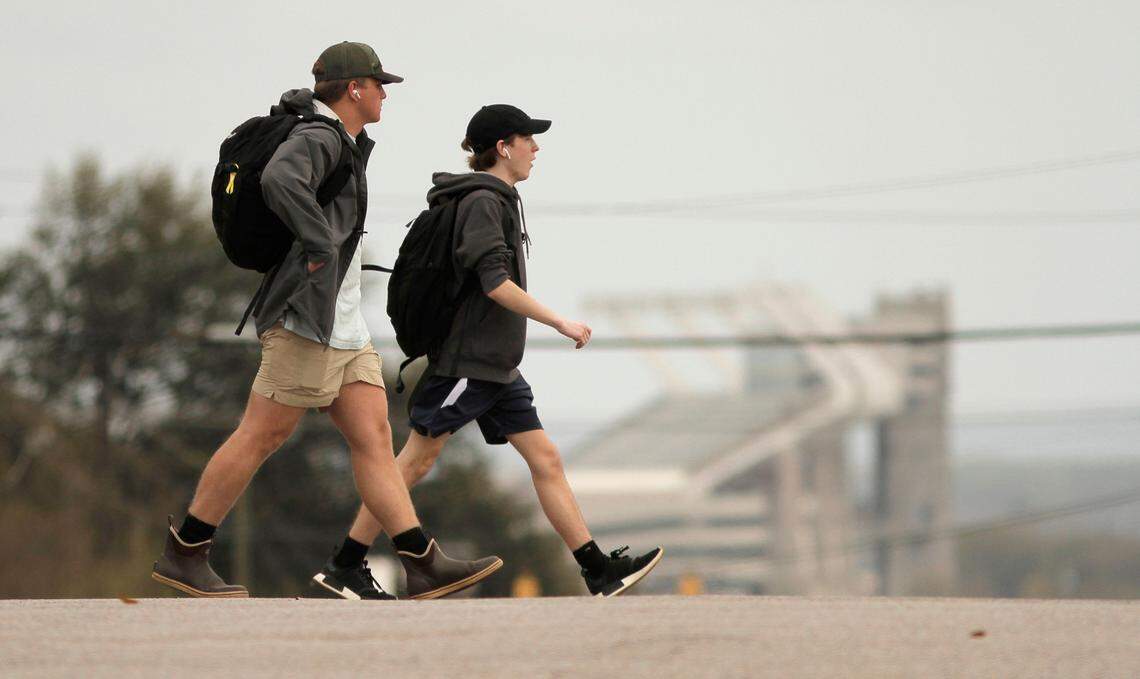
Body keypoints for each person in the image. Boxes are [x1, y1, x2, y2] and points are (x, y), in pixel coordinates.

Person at [152, 42, 501, 600]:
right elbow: (280, 181)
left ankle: (421, 561)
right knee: (262, 433)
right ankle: (186, 552)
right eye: (379, 83)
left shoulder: (344, 141)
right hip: (305, 321)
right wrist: (318, 241)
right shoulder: (318, 137)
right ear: (355, 89)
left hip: (341, 325)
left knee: (373, 434)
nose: (385, 93)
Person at [312, 104, 663, 598]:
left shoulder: (502, 198)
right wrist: (558, 320)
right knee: (411, 464)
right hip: (468, 363)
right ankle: (345, 563)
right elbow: (495, 282)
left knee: (546, 459)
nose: (536, 149)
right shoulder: (481, 201)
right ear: (503, 147)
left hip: (498, 367)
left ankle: (597, 571)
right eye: (528, 139)